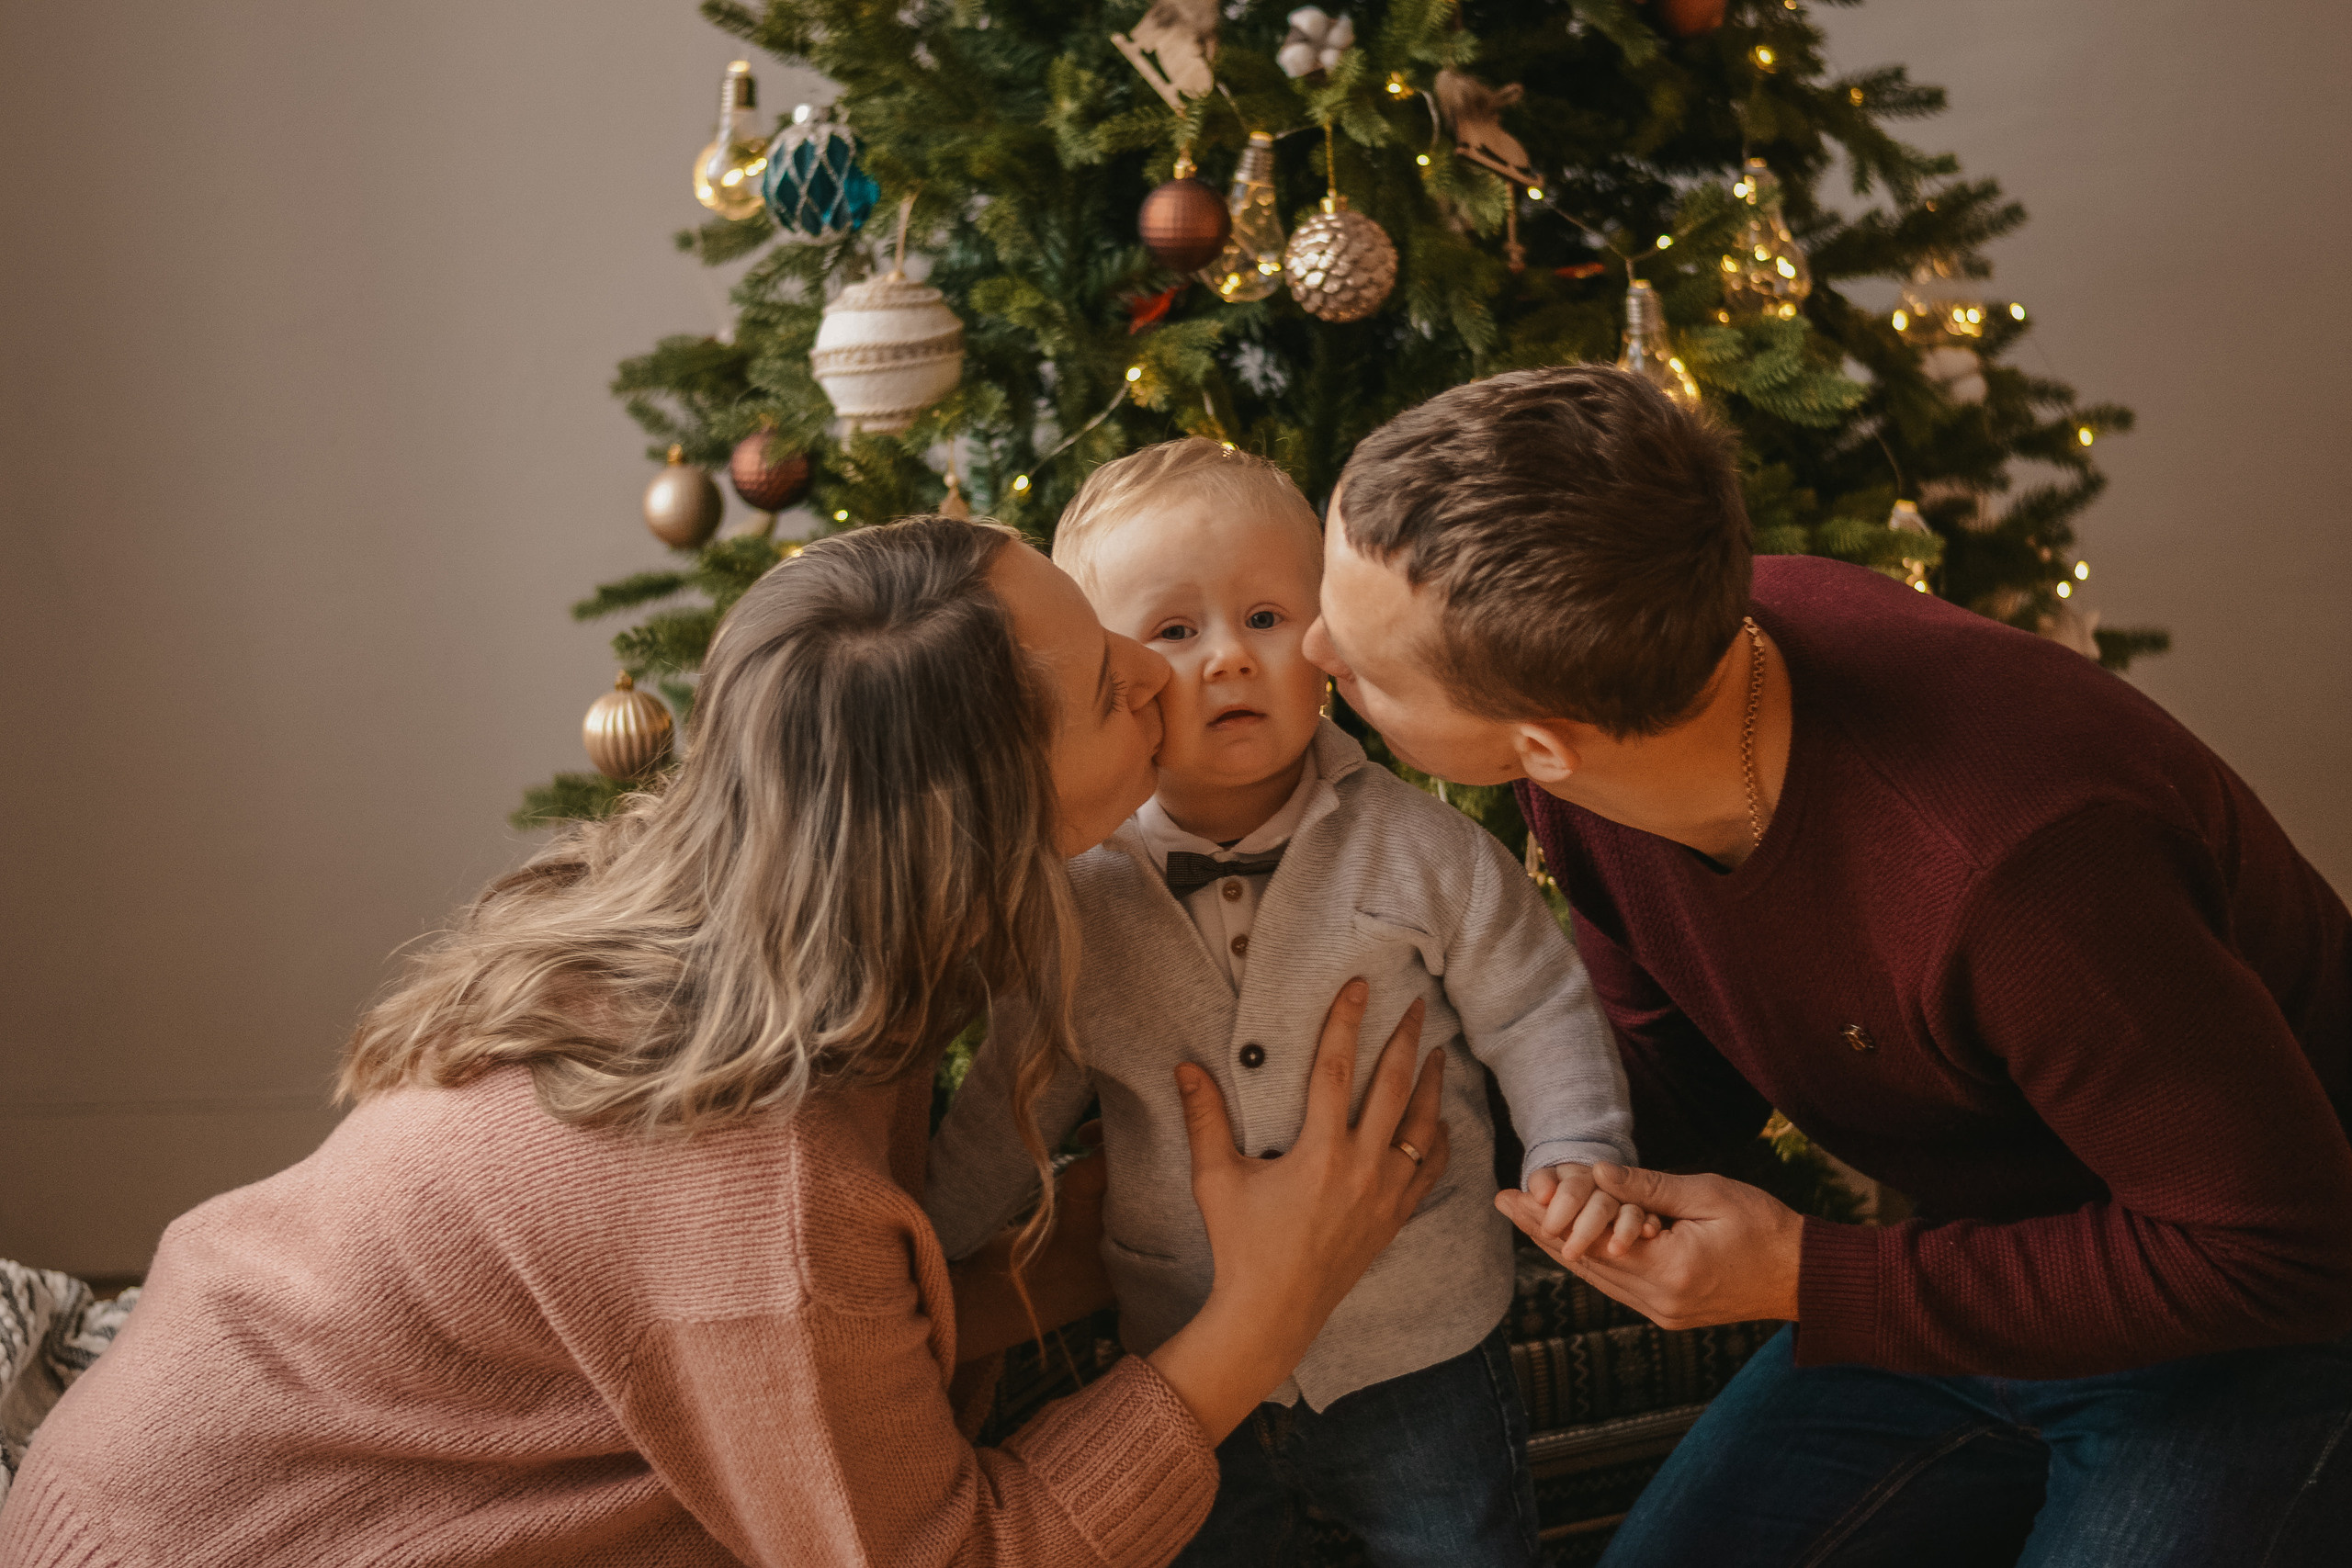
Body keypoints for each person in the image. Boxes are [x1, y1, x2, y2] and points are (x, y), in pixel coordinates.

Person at [0, 517, 1453, 1568]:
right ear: (982, 837)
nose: (1160, 666)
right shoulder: (747, 1177)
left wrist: (1092, 1247)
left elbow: (768, 1356)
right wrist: (1261, 1310)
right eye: (1103, 689)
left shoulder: (779, 936)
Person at [1304, 365, 2352, 1566]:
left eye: (1362, 672)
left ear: (1538, 743)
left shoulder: (2018, 867)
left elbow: (2281, 1248)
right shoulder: (1612, 744)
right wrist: (1519, 1144)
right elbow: (1679, 1075)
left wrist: (1811, 1273)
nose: (1314, 644)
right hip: (1970, 1273)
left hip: (2257, 1322)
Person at [927, 441, 1645, 1568]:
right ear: (1113, 673)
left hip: (1420, 1344)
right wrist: (930, 1241)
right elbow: (1017, 1090)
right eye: (1174, 632)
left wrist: (1575, 1144)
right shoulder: (1076, 896)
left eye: (1265, 617)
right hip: (1184, 1355)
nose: (1226, 659)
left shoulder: (1423, 851)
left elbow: (1536, 1007)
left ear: (1326, 645)